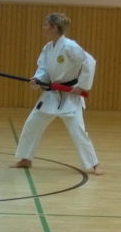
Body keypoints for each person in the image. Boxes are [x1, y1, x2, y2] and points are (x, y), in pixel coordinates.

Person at [11, 13, 104, 175]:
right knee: (32, 124)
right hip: (51, 94)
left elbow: (89, 62)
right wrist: (38, 79)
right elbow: (44, 69)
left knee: (78, 130)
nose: (43, 28)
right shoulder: (48, 48)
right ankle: (26, 159)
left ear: (54, 28)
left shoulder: (69, 46)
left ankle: (95, 164)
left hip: (70, 95)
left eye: (46, 25)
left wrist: (82, 86)